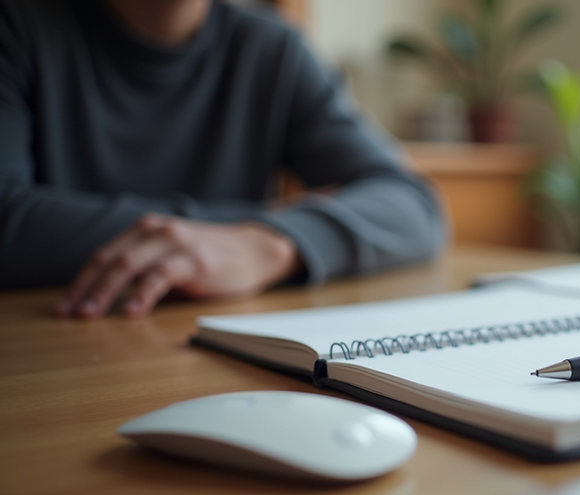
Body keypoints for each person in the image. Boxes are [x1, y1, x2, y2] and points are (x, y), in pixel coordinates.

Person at [0, 0, 446, 318]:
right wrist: (253, 224)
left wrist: (270, 245)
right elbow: (9, 219)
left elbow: (415, 206)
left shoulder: (273, 50)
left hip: (215, 346)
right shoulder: (17, 27)